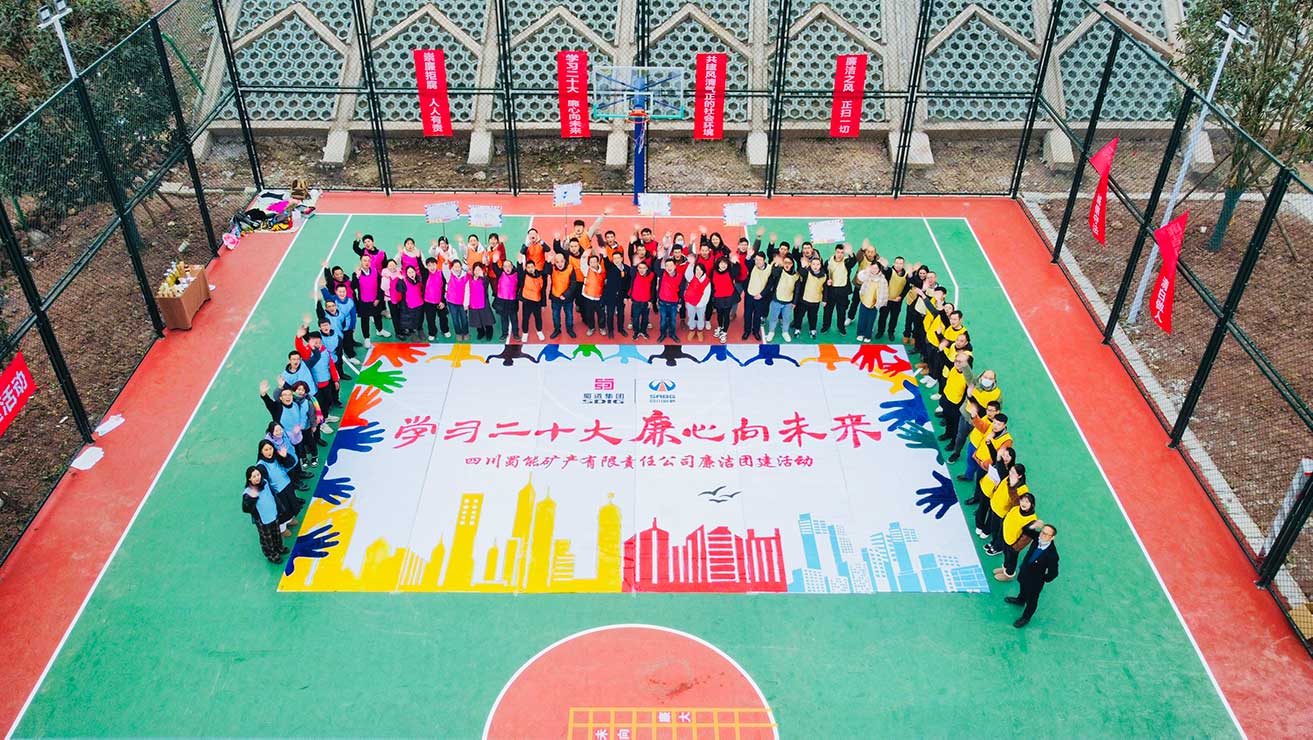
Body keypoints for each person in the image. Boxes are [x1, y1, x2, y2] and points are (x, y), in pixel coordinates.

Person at [1006, 523, 1059, 628]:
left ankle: (1026, 617)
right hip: (1025, 572)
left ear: (1052, 538)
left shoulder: (1052, 555)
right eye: (1042, 532)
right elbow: (1026, 530)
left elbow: (1053, 573)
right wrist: (1034, 525)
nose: (1043, 535)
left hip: (1035, 582)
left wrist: (1042, 579)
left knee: (1032, 601)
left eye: (1046, 534)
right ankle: (1020, 600)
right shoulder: (1037, 538)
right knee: (1022, 587)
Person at [241, 466, 289, 564]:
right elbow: (246, 509)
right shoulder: (248, 492)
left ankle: (279, 548)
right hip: (263, 520)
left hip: (273, 514)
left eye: (258, 475)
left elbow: (273, 495)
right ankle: (272, 555)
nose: (257, 478)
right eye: (254, 476)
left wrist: (279, 507)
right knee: (267, 539)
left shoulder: (265, 482)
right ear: (249, 479)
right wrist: (252, 499)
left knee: (276, 533)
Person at [294, 324, 340, 418]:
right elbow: (300, 348)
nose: (317, 344)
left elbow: (331, 366)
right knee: (319, 404)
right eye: (314, 342)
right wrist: (298, 337)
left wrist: (335, 380)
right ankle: (322, 421)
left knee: (328, 401)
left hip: (327, 382)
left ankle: (326, 416)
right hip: (316, 386)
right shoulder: (307, 352)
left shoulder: (325, 351)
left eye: (319, 342)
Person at [995, 494, 1039, 582]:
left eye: (1027, 502)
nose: (1023, 503)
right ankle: (1005, 568)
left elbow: (1027, 538)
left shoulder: (1031, 520)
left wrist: (1015, 547)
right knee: (1006, 555)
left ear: (1032, 504)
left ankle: (1009, 575)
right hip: (1006, 538)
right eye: (1022, 500)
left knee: (1011, 560)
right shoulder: (1016, 508)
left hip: (1014, 545)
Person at [821, 243, 857, 335]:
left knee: (841, 311)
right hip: (831, 290)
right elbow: (824, 274)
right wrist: (827, 281)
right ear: (835, 252)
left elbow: (853, 261)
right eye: (838, 252)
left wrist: (851, 252)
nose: (840, 254)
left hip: (842, 291)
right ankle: (826, 326)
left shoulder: (846, 261)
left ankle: (841, 327)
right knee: (827, 311)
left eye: (842, 252)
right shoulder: (828, 261)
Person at [764, 255, 801, 342]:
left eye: (789, 263)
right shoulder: (779, 271)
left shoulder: (796, 275)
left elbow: (797, 290)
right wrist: (776, 265)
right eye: (785, 262)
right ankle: (771, 331)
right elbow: (774, 273)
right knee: (774, 317)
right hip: (777, 300)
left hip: (788, 302)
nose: (787, 265)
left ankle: (785, 332)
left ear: (792, 264)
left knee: (786, 318)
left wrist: (794, 302)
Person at [352, 253, 387, 343]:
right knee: (365, 320)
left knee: (377, 316)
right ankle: (367, 338)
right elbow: (353, 286)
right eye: (364, 261)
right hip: (364, 302)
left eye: (368, 261)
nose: (366, 262)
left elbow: (381, 286)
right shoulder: (356, 274)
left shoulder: (375, 271)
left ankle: (380, 330)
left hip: (375, 300)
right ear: (361, 261)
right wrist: (357, 276)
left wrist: (378, 298)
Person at [852, 258, 889, 343]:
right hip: (864, 300)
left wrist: (879, 304)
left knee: (870, 320)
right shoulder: (867, 275)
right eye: (873, 267)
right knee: (862, 318)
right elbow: (860, 277)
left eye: (876, 268)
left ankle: (868, 335)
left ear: (879, 269)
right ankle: (860, 333)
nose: (874, 270)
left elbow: (884, 292)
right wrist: (866, 271)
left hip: (874, 303)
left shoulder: (882, 279)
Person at [545, 251, 579, 339]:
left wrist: (565, 295)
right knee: (555, 315)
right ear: (554, 262)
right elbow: (546, 271)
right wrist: (547, 262)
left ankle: (569, 329)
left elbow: (573, 284)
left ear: (564, 260)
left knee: (569, 315)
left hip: (567, 298)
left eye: (561, 261)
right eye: (557, 262)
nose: (560, 264)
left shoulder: (570, 268)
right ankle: (557, 329)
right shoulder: (552, 268)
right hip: (555, 298)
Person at [793, 256, 826, 339]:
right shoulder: (807, 272)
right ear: (810, 265)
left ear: (820, 265)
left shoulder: (824, 276)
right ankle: (797, 328)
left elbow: (825, 289)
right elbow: (801, 272)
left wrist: (824, 300)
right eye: (813, 264)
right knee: (800, 316)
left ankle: (812, 329)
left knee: (813, 317)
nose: (815, 266)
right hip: (804, 300)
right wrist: (802, 266)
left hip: (815, 301)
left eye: (818, 264)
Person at [742, 251, 772, 341]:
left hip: (760, 297)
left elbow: (770, 285)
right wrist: (748, 256)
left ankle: (756, 331)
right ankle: (747, 331)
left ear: (764, 260)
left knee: (757, 315)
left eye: (760, 260)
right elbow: (747, 262)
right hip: (750, 295)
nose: (757, 262)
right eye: (756, 259)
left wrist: (761, 295)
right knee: (747, 314)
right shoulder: (753, 265)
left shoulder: (770, 269)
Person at [877, 256, 909, 340]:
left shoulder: (906, 274)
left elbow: (907, 287)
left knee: (894, 317)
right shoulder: (890, 271)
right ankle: (880, 331)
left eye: (901, 263)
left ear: (903, 265)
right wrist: (885, 267)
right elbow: (886, 273)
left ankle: (891, 332)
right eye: (897, 263)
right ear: (894, 263)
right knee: (882, 317)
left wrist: (901, 296)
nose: (898, 265)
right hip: (886, 300)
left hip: (897, 301)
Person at [709, 255, 739, 343]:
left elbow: (737, 270)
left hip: (728, 298)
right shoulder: (713, 272)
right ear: (718, 264)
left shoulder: (730, 272)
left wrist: (736, 263)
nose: (723, 265)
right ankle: (720, 327)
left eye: (725, 263)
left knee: (726, 316)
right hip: (718, 297)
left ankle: (724, 332)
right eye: (721, 263)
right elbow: (712, 284)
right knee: (719, 314)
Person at [517, 254, 546, 341]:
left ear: (535, 267)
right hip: (527, 302)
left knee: (538, 317)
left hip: (537, 301)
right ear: (526, 268)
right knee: (525, 318)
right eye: (528, 267)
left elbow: (542, 291)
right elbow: (519, 272)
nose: (530, 269)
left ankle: (539, 331)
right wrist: (519, 263)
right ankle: (525, 333)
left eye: (532, 267)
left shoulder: (540, 275)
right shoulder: (524, 276)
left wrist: (543, 304)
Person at [602, 250, 630, 338]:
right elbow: (606, 262)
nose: (616, 260)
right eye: (614, 258)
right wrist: (605, 255)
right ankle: (610, 330)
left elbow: (628, 283)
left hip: (621, 296)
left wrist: (626, 296)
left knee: (621, 313)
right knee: (610, 314)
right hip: (610, 296)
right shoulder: (610, 267)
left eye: (618, 258)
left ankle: (621, 329)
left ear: (622, 258)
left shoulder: (627, 268)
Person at [656, 258, 685, 343]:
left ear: (675, 266)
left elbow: (681, 290)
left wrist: (680, 302)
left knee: (673, 320)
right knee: (663, 320)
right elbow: (656, 267)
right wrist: (659, 258)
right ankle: (663, 334)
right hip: (662, 303)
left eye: (671, 265)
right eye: (667, 265)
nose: (669, 268)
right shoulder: (662, 273)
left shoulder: (680, 277)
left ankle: (672, 334)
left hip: (674, 303)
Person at [422, 257, 450, 340]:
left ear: (437, 264)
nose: (432, 267)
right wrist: (418, 256)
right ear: (427, 266)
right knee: (430, 319)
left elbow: (444, 288)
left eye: (433, 264)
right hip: (428, 302)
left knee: (443, 317)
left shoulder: (441, 273)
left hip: (440, 301)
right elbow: (419, 265)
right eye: (429, 265)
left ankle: (445, 330)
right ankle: (432, 333)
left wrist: (442, 301)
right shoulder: (425, 274)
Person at [465, 262, 495, 341]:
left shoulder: (484, 279)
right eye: (476, 270)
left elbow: (486, 284)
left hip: (484, 303)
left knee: (487, 320)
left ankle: (489, 333)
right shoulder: (469, 278)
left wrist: (483, 276)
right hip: (473, 304)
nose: (477, 271)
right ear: (473, 270)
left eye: (479, 270)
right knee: (477, 320)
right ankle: (481, 332)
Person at [492, 258, 520, 341]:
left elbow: (521, 272)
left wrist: (520, 263)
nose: (507, 268)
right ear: (503, 268)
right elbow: (495, 268)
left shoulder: (517, 274)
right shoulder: (500, 274)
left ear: (512, 267)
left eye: (509, 266)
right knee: (504, 319)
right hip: (502, 302)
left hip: (512, 301)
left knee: (514, 319)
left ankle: (516, 334)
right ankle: (504, 333)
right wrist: (494, 261)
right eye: (505, 266)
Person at [683, 261, 712, 342]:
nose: (698, 272)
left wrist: (699, 304)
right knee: (691, 316)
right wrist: (690, 265)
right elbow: (687, 275)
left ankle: (700, 331)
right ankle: (692, 330)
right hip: (690, 302)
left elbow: (707, 295)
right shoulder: (692, 278)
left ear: (703, 271)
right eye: (697, 270)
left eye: (700, 270)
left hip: (701, 304)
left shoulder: (707, 281)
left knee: (700, 317)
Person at [444, 259, 472, 341]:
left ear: (461, 267)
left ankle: (466, 332)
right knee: (455, 319)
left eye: (458, 266)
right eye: (455, 267)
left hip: (462, 303)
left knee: (464, 318)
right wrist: (445, 263)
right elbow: (445, 270)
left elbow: (467, 290)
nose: (457, 269)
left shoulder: (466, 276)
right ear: (452, 267)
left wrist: (466, 303)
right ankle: (458, 333)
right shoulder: (449, 275)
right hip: (451, 302)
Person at [628, 259, 656, 339]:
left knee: (645, 318)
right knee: (635, 318)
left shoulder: (651, 275)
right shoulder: (635, 274)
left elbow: (653, 289)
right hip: (636, 301)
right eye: (640, 268)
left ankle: (643, 331)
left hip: (646, 301)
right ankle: (636, 332)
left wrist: (651, 301)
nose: (641, 270)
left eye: (644, 268)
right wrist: (635, 264)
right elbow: (632, 270)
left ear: (647, 268)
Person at [396, 265, 425, 340]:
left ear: (415, 272)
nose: (411, 274)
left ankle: (420, 329)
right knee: (411, 320)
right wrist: (399, 280)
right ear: (406, 274)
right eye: (409, 272)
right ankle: (412, 332)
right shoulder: (404, 282)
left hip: (420, 304)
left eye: (412, 272)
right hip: (410, 305)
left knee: (420, 318)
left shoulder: (419, 280)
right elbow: (398, 289)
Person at [580, 254, 606, 336]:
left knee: (601, 314)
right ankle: (591, 327)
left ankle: (602, 327)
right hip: (588, 296)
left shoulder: (602, 271)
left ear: (598, 262)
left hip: (599, 297)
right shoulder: (586, 270)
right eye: (591, 262)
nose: (593, 264)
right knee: (589, 314)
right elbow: (582, 263)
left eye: (594, 261)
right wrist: (584, 255)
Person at [381, 258, 403, 338]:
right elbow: (384, 288)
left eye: (393, 265)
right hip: (391, 299)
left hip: (400, 298)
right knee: (395, 315)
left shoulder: (399, 272)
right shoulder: (385, 276)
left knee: (401, 313)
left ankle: (403, 329)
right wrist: (387, 279)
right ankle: (398, 332)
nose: (392, 267)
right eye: (390, 265)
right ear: (387, 267)